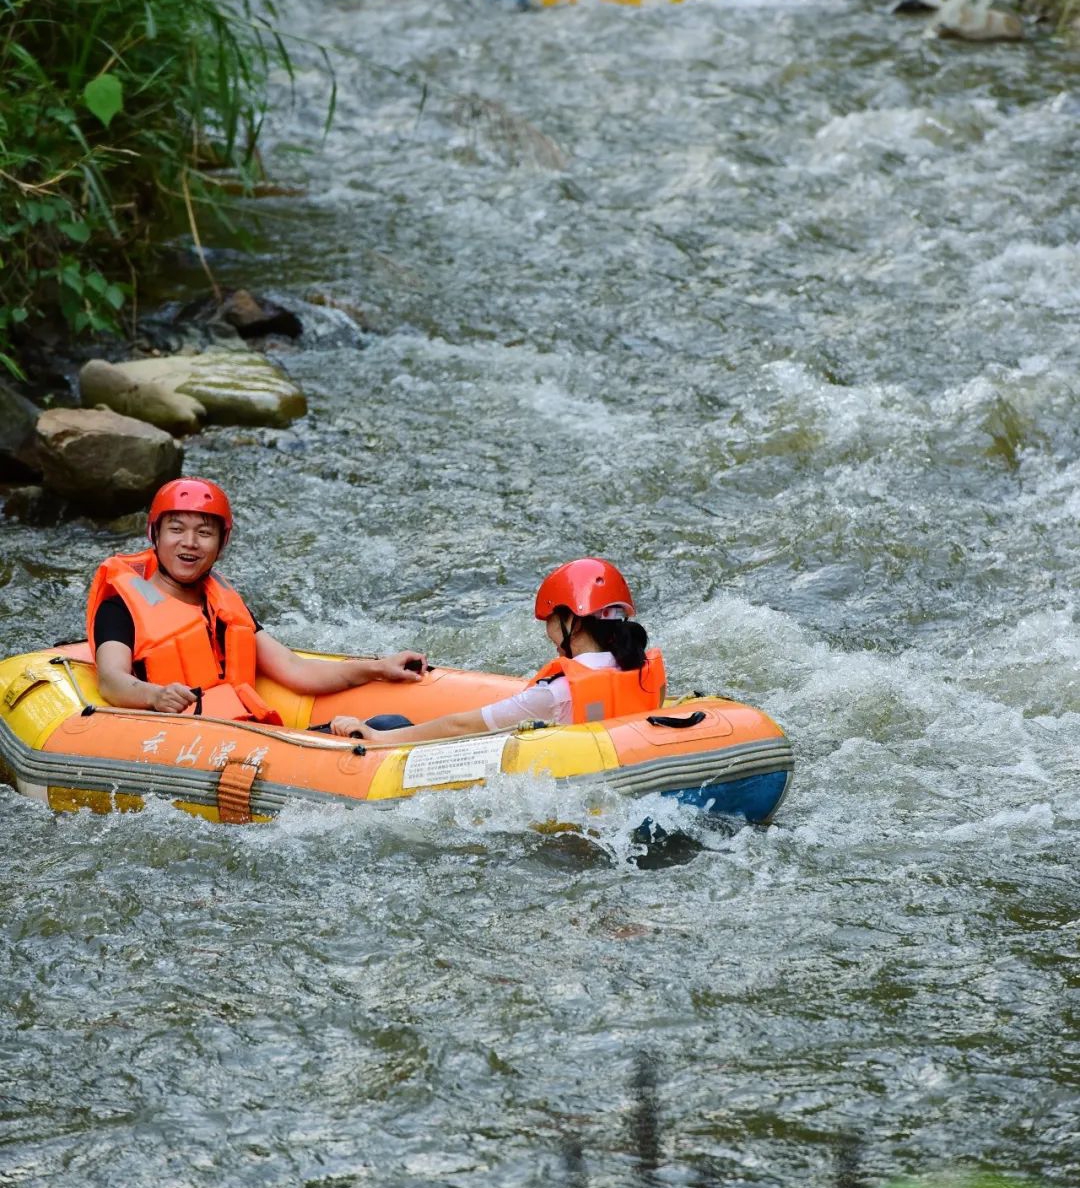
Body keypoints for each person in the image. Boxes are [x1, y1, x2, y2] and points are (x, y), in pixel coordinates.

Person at [88, 477, 426, 722]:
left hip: (241, 730)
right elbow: (112, 680)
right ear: (155, 534)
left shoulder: (222, 605)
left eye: (204, 532)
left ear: (221, 542)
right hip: (175, 735)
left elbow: (297, 670)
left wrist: (379, 667)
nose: (189, 542)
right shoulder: (121, 606)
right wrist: (155, 695)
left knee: (387, 725)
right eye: (176, 529)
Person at [329, 557, 666, 742]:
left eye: (550, 619)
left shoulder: (556, 694)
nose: (546, 629)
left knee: (390, 723)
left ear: (571, 623)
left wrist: (375, 737)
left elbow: (457, 727)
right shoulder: (641, 672)